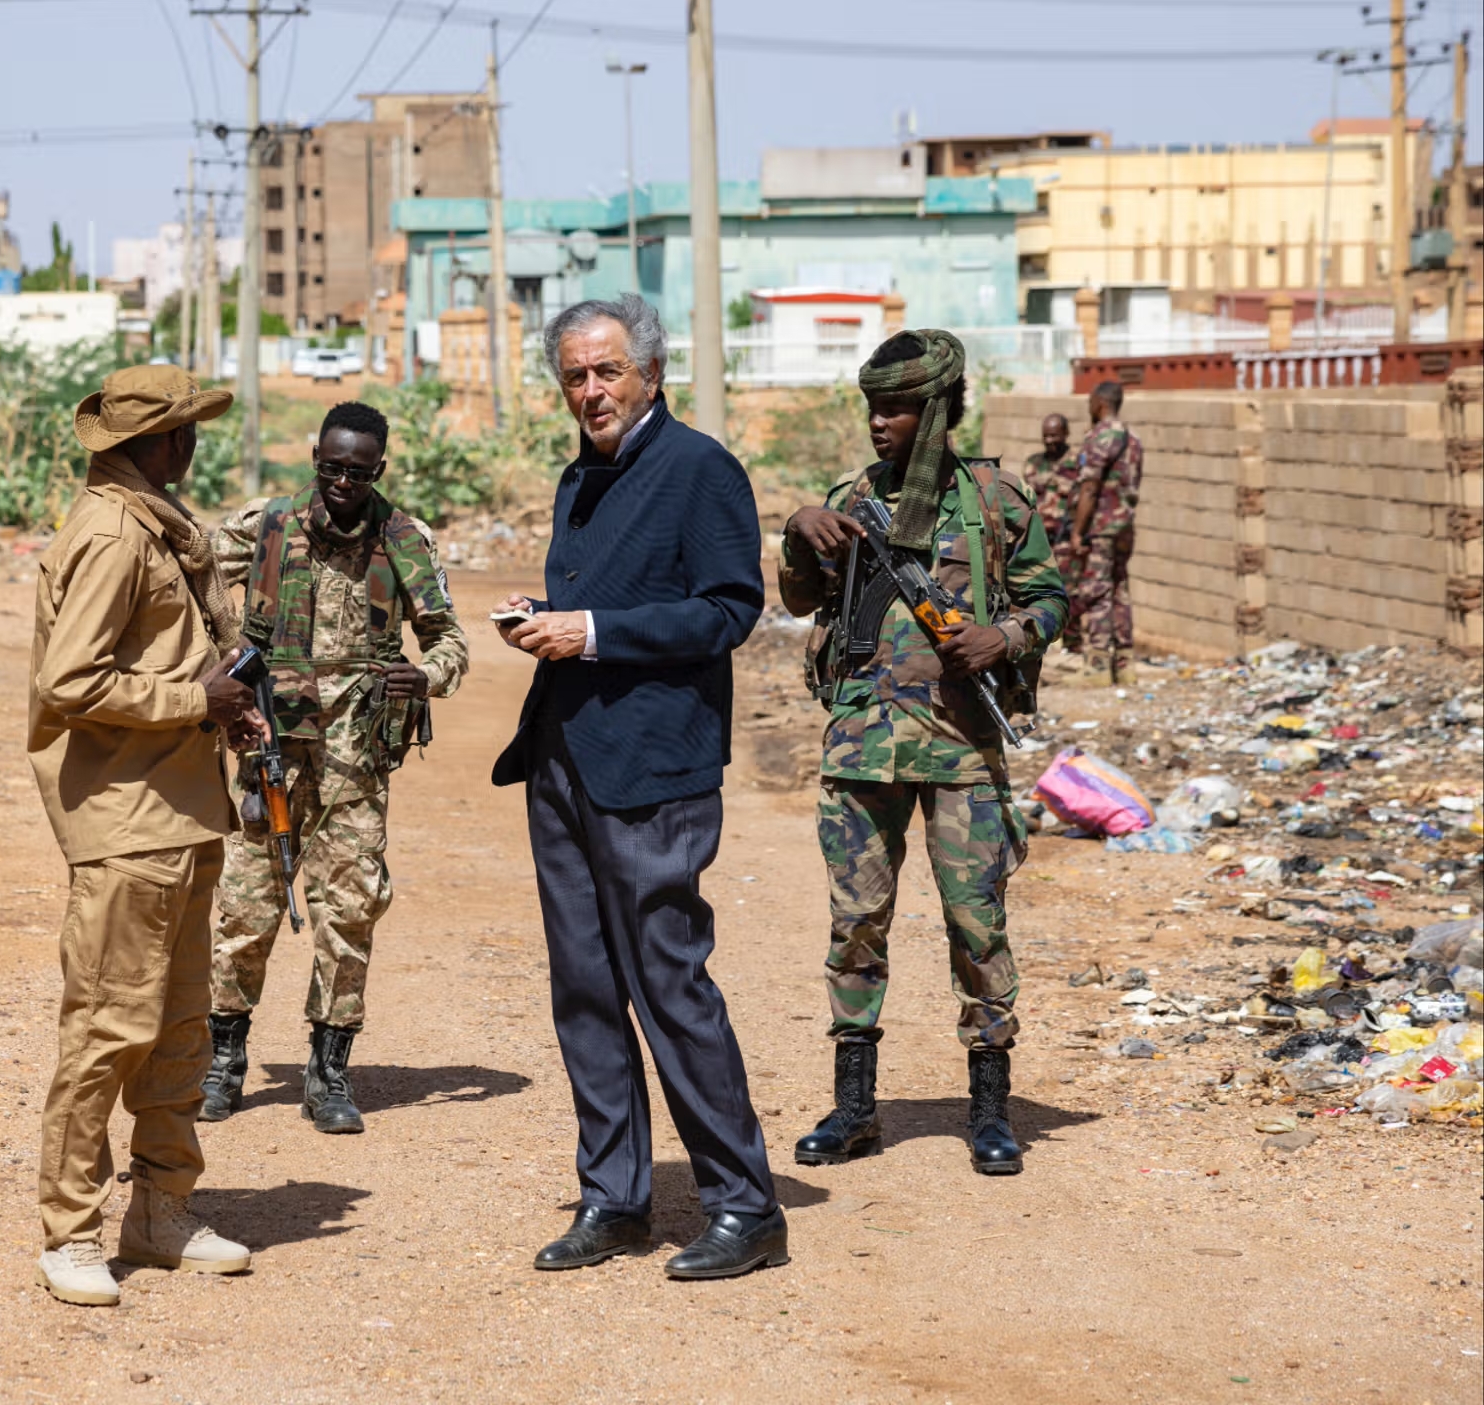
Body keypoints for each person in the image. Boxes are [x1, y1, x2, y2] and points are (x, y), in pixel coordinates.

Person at [489, 294, 786, 1282]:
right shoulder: (583, 473)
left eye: (607, 371)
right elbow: (610, 598)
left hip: (653, 772)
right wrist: (548, 617)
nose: (591, 391)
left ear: (652, 373)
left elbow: (728, 609)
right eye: (574, 376)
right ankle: (614, 1200)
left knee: (668, 984)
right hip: (566, 760)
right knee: (584, 990)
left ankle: (745, 1207)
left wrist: (593, 633)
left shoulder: (700, 468)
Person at [776, 329, 1068, 1178]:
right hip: (861, 748)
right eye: (873, 407)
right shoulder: (850, 498)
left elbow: (1051, 597)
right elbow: (799, 599)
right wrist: (797, 532)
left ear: (939, 411)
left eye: (897, 409)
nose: (879, 423)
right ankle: (855, 1109)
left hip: (961, 750)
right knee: (856, 926)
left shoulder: (994, 499)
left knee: (977, 925)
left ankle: (989, 1109)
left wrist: (1003, 636)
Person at [27, 364, 264, 1307]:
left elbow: (165, 656)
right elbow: (69, 682)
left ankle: (162, 1212)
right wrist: (194, 700)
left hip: (181, 808)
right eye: (187, 427)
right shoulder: (112, 536)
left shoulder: (160, 527)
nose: (195, 442)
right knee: (108, 1028)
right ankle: (71, 1233)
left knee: (177, 1030)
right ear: (159, 441)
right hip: (127, 821)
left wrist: (225, 705)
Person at [198, 401, 469, 1135]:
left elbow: (449, 639)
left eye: (359, 471)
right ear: (315, 458)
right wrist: (221, 662)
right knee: (244, 908)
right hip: (270, 749)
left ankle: (329, 1071)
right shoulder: (263, 527)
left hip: (356, 762)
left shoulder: (404, 538)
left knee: (350, 911)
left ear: (379, 468)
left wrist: (426, 676)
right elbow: (191, 585)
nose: (343, 482)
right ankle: (223, 1061)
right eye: (332, 467)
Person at [1059, 381, 1143, 686]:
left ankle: (1097, 667)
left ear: (1101, 403)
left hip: (1101, 528)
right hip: (1124, 527)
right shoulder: (1133, 439)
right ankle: (1125, 664)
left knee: (1096, 593)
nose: (1089, 407)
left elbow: (1090, 489)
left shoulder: (1100, 437)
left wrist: (1077, 532)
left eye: (1091, 401)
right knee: (1120, 590)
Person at [1022, 413, 1077, 549]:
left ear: (1066, 433)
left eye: (1053, 435)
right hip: (1037, 539)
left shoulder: (1078, 464)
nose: (1048, 440)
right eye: (1045, 436)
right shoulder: (1032, 464)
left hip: (1065, 541)